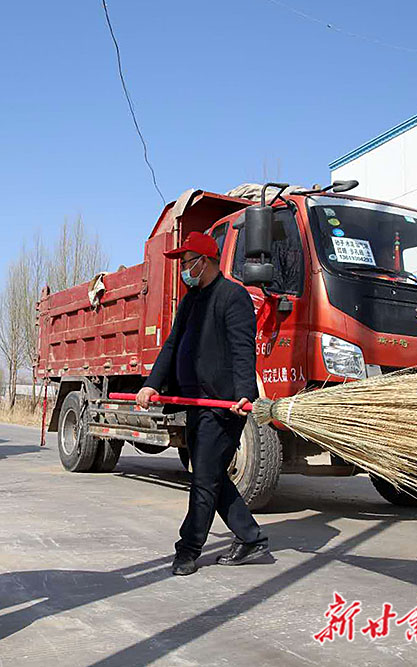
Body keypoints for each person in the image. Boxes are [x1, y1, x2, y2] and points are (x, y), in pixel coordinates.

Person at [136, 232, 270, 576]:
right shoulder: (191, 301)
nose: (184, 269)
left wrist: (244, 393)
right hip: (196, 403)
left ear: (205, 261)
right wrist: (151, 385)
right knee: (209, 476)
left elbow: (243, 349)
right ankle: (251, 538)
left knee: (204, 479)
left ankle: (188, 549)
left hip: (223, 404)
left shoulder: (232, 296)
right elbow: (171, 345)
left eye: (187, 262)